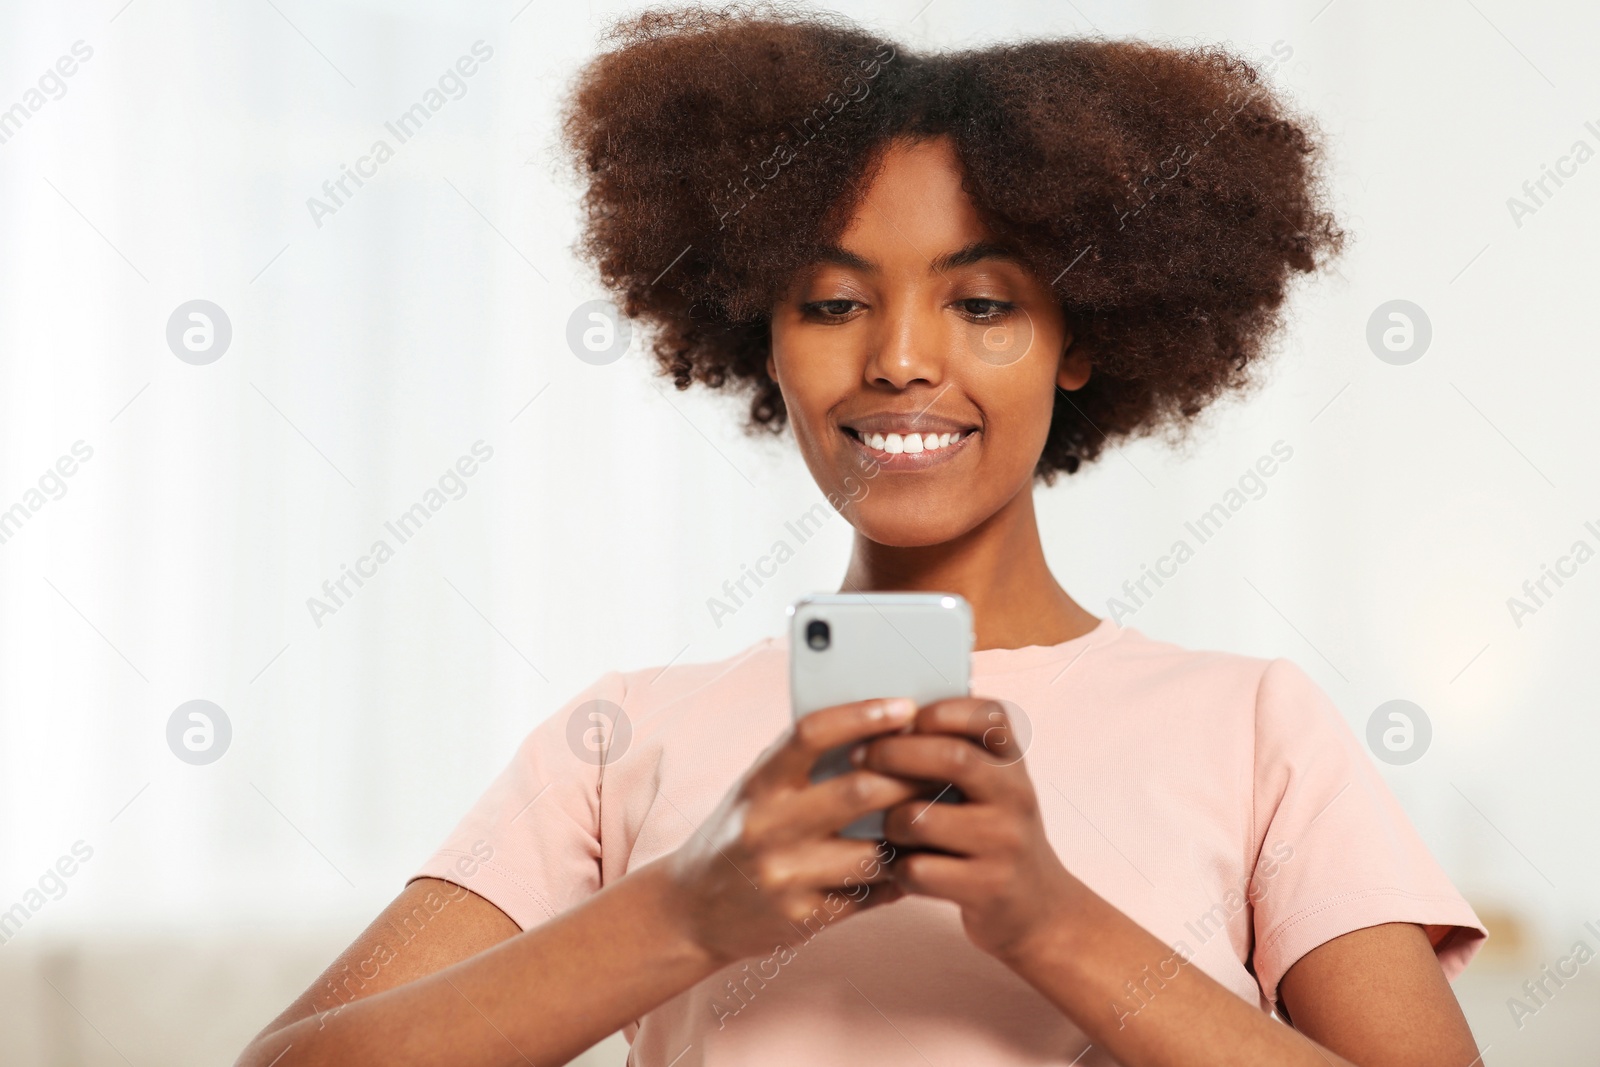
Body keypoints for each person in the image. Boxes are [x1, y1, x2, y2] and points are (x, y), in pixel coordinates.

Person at [236, 8, 1486, 1065]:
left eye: (983, 303)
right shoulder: (619, 737)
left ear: (1082, 337)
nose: (896, 358)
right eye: (832, 303)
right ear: (758, 336)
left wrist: (1050, 919)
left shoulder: (1253, 727)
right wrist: (689, 908)